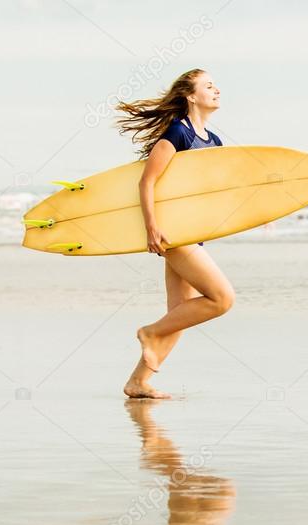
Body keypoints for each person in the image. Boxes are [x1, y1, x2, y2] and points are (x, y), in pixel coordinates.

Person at [114, 69, 236, 399]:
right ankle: (149, 333)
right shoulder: (177, 133)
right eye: (209, 86)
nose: (217, 89)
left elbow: (213, 190)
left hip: (192, 233)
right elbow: (147, 182)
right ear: (191, 96)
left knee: (180, 312)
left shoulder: (214, 141)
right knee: (222, 299)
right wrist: (151, 227)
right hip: (173, 234)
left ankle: (138, 381)